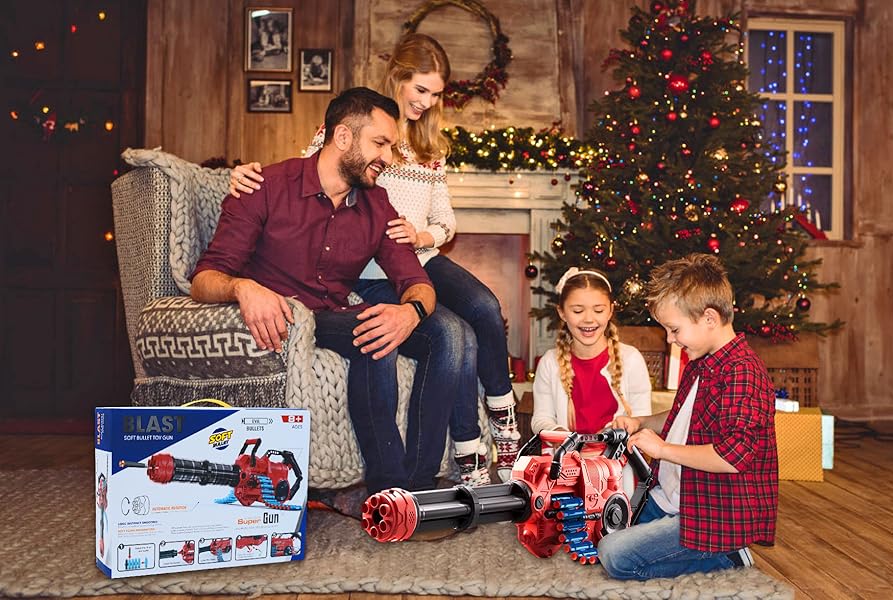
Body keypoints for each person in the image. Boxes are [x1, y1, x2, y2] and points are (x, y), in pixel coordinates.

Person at [229, 33, 521, 485]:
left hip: (412, 254)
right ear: (398, 80)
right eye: (420, 89)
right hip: (364, 275)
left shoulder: (418, 158)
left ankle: (484, 430)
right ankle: (437, 465)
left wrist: (420, 247)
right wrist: (249, 173)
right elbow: (308, 173)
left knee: (479, 309)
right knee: (443, 330)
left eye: (435, 94)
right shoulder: (329, 152)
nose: (426, 101)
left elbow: (440, 229)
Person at [191, 86, 468, 496]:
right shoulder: (266, 186)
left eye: (390, 147)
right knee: (375, 337)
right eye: (379, 143)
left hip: (332, 314)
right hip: (285, 317)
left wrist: (409, 312)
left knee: (444, 332)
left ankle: (419, 484)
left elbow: (417, 283)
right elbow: (204, 279)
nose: (387, 159)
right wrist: (242, 288)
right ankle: (389, 489)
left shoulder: (378, 205)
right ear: (342, 137)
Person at [597, 253, 778, 580]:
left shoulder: (742, 373)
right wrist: (640, 422)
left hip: (712, 515)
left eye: (674, 329)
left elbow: (732, 456)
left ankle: (727, 556)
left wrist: (662, 450)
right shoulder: (701, 361)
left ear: (709, 318)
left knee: (614, 556)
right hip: (671, 499)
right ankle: (683, 540)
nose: (670, 339)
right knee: (599, 528)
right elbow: (682, 418)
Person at [530, 267, 653, 495]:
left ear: (610, 311)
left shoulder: (631, 359)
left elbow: (643, 419)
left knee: (613, 528)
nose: (589, 319)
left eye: (598, 310)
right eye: (577, 310)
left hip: (616, 472)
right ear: (562, 313)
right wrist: (557, 433)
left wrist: (630, 425)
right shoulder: (550, 362)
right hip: (566, 469)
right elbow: (541, 418)